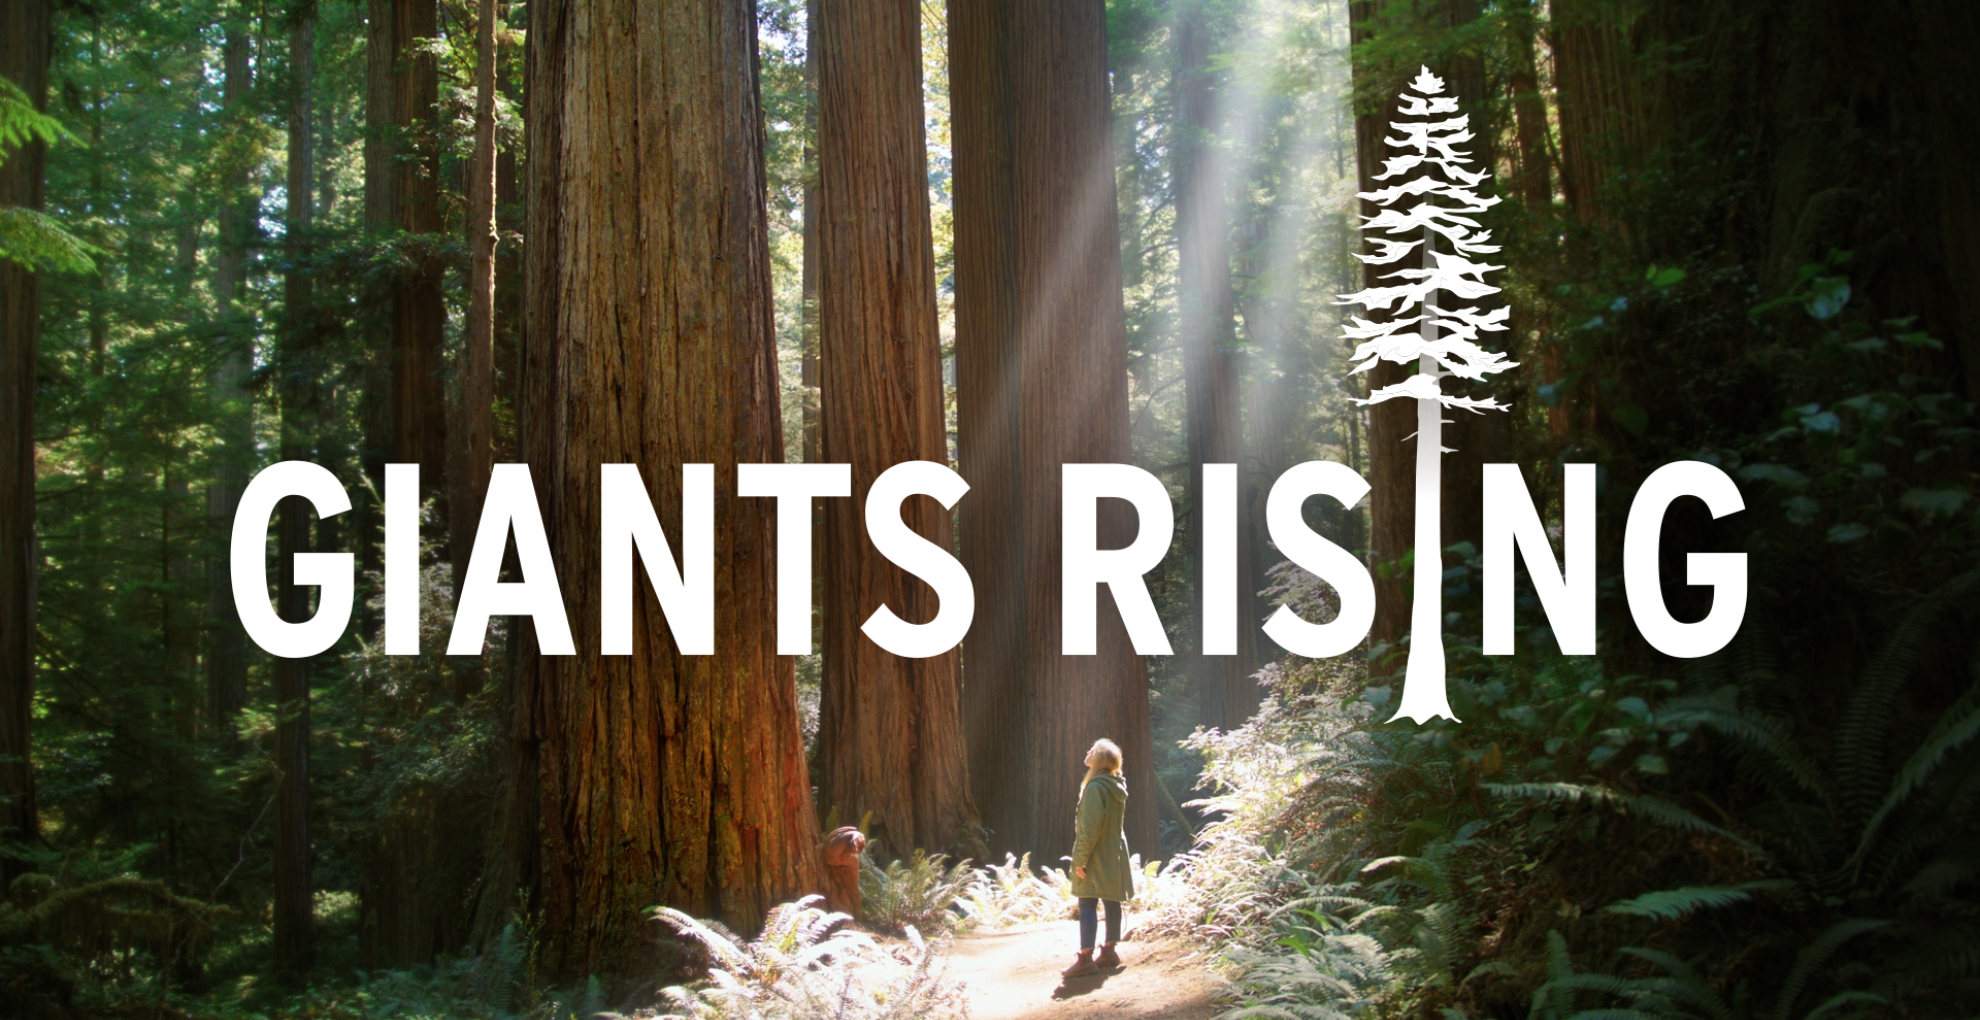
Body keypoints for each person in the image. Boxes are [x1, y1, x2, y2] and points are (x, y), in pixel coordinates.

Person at [1062, 737, 1133, 978]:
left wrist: (1080, 860)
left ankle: (1085, 958)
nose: (1087, 752)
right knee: (1112, 899)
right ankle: (1109, 952)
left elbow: (1090, 830)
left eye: (1091, 750)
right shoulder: (1115, 785)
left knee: (1087, 901)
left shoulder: (1095, 788)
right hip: (1114, 851)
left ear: (1100, 758)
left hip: (1097, 853)